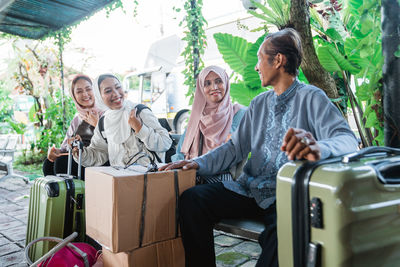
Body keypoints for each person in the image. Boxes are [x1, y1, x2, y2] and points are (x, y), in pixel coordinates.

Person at [159, 28, 359, 267]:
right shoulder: (259, 103)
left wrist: (319, 147)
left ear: (278, 60)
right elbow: (235, 148)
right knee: (192, 200)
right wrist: (198, 163)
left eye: (260, 59)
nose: (256, 67)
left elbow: (347, 139)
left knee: (281, 237)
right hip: (249, 191)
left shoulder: (312, 97)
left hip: (287, 196)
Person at [71, 74, 172, 168]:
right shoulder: (104, 122)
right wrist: (80, 153)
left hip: (148, 179)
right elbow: (98, 154)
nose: (116, 94)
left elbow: (165, 143)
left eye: (118, 87)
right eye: (108, 91)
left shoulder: (139, 112)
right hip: (120, 180)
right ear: (99, 96)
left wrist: (140, 128)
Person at [172, 65, 246, 183]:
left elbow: (231, 149)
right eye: (207, 83)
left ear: (226, 83)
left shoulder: (239, 113)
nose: (214, 87)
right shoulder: (197, 117)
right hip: (192, 174)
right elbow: (181, 152)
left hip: (225, 176)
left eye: (218, 81)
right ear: (201, 88)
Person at [42, 74, 103, 179]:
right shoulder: (77, 119)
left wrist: (96, 125)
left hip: (99, 159)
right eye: (79, 91)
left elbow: (112, 143)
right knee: (48, 164)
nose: (85, 94)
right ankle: (59, 195)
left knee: (62, 163)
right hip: (79, 156)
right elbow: (66, 145)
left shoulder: (105, 113)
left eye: (88, 89)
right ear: (74, 96)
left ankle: (74, 194)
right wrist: (57, 151)